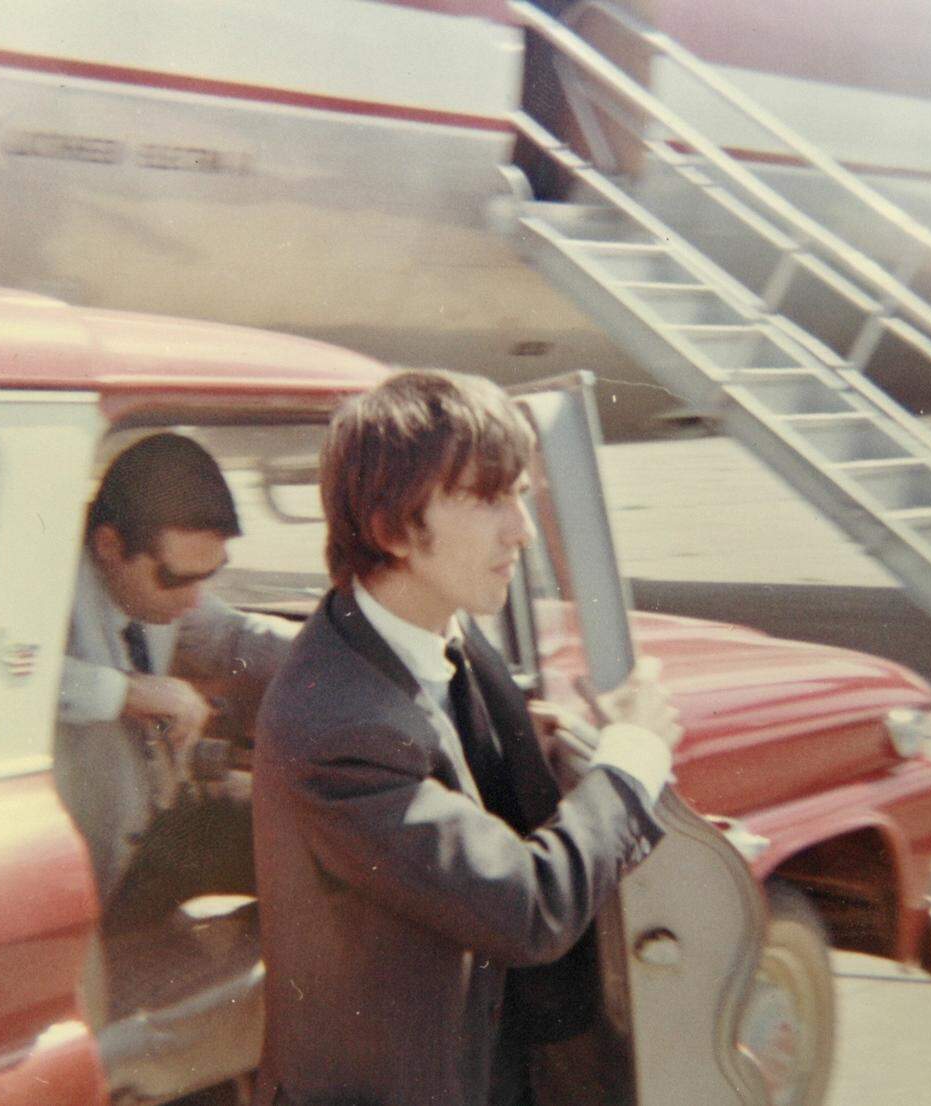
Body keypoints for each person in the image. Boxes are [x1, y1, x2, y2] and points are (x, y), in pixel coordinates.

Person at [252, 371, 679, 1106]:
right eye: (486, 499)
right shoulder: (339, 728)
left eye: (519, 493)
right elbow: (526, 905)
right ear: (390, 530)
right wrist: (632, 759)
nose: (521, 529)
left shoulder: (431, 629)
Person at [56, 432, 298, 927]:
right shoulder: (43, 584)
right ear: (108, 546)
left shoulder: (156, 587)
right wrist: (127, 692)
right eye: (176, 579)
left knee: (325, 841)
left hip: (155, 833)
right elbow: (10, 674)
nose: (194, 600)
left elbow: (232, 636)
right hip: (84, 878)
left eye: (208, 575)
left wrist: (340, 650)